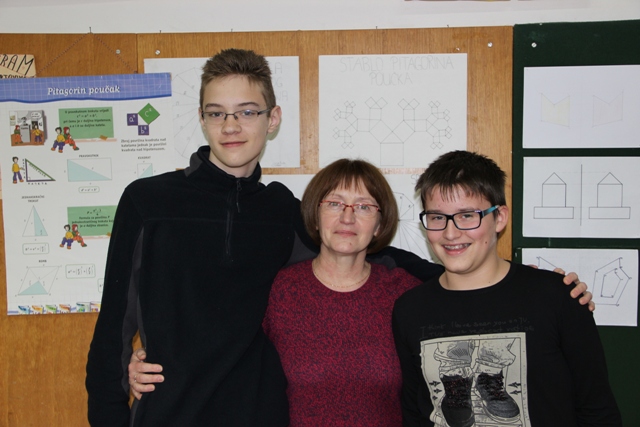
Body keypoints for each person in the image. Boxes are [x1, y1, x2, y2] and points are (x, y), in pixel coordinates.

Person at [85, 48, 432, 427]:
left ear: (273, 119)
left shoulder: (281, 212)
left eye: (247, 112)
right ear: (202, 119)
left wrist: (462, 271)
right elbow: (112, 333)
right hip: (168, 414)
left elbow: (358, 248)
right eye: (216, 113)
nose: (230, 126)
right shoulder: (149, 201)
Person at [128, 157, 593, 425]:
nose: (347, 217)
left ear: (380, 221)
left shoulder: (406, 295)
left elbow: (480, 292)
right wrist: (146, 364)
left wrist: (544, 287)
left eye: (364, 206)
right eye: (334, 203)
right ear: (314, 215)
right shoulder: (278, 290)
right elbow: (218, 345)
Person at [392, 151, 621, 427]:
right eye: (437, 217)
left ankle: (490, 374)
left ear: (499, 218)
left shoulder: (557, 297)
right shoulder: (410, 309)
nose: (450, 233)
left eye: (467, 215)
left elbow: (597, 411)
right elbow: (413, 413)